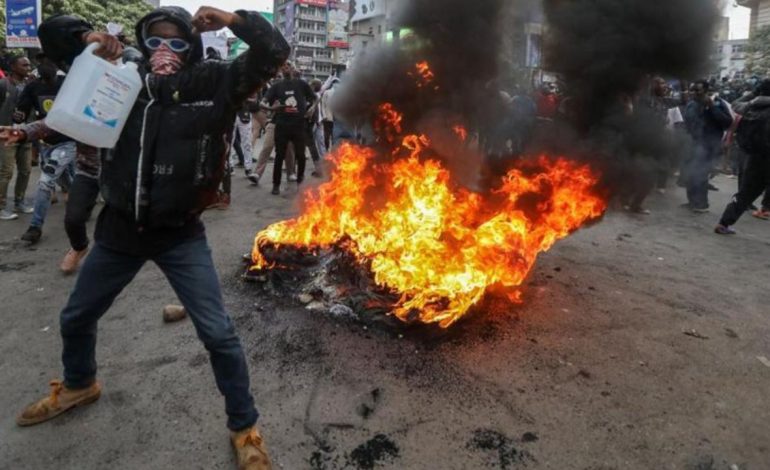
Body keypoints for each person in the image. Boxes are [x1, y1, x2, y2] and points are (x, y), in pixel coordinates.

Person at [14, 7, 289, 470]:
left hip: (181, 233)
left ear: (192, 49)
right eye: (156, 41)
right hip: (120, 229)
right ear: (143, 44)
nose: (166, 51)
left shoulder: (216, 82)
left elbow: (274, 50)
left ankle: (244, 428)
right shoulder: (123, 79)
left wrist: (232, 18)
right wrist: (88, 37)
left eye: (177, 42)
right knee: (76, 317)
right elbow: (51, 35)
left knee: (220, 336)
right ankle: (80, 384)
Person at [11, 57, 76, 244]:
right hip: (44, 142)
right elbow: (21, 112)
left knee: (46, 181)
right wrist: (17, 120)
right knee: (65, 180)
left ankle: (35, 227)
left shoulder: (68, 84)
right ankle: (82, 202)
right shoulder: (32, 88)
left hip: (67, 143)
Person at [715, 79, 770, 234]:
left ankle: (724, 223)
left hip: (755, 156)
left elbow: (734, 104)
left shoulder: (750, 107)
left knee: (745, 193)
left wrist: (754, 94)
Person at [263, 62, 316, 195]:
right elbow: (262, 102)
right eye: (283, 66)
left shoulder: (301, 84)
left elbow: (315, 98)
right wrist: (271, 108)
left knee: (301, 156)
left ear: (292, 68)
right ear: (280, 69)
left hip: (298, 125)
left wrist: (311, 109)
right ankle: (276, 185)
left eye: (288, 66)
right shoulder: (276, 86)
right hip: (282, 126)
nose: (285, 68)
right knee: (279, 156)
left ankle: (300, 182)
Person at [682, 80, 733, 213]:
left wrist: (712, 108)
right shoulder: (691, 104)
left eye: (697, 90)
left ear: (705, 90)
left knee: (701, 174)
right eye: (692, 90)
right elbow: (687, 122)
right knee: (690, 173)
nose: (694, 93)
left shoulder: (717, 103)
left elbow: (728, 121)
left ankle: (701, 204)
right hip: (693, 143)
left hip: (708, 145)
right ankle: (692, 201)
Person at [0, 55, 33, 220]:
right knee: (6, 171)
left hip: (24, 133)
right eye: (24, 65)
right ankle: (1, 206)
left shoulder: (29, 85)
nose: (28, 68)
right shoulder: (3, 84)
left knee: (26, 170)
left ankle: (19, 201)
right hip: (6, 133)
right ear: (13, 67)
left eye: (28, 65)